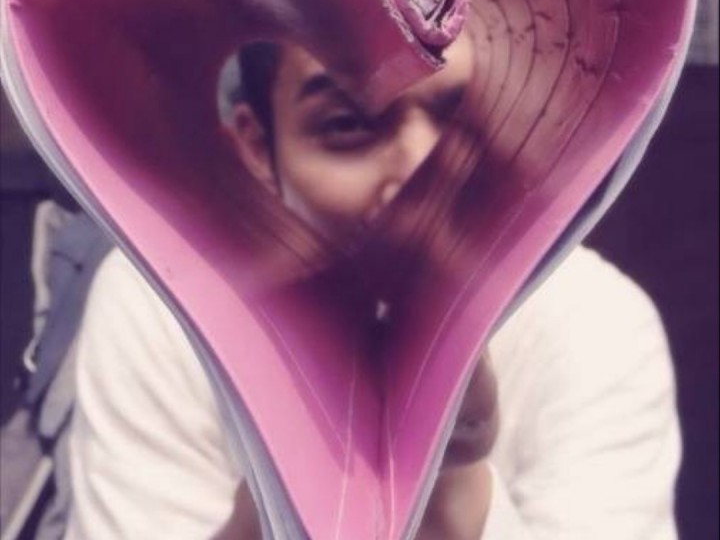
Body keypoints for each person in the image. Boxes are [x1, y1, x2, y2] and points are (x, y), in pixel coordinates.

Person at [64, 36, 681, 539]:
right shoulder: (162, 306)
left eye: (466, 117)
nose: (422, 173)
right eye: (349, 124)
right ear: (256, 146)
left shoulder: (598, 320)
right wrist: (298, 472)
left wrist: (449, 480)